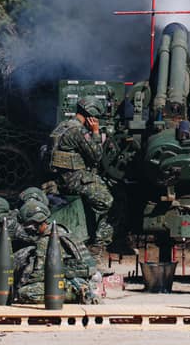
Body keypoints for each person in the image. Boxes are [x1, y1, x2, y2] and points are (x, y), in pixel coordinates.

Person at [46, 95, 114, 261]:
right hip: (74, 178)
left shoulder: (62, 126)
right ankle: (97, 244)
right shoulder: (78, 131)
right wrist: (96, 132)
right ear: (91, 115)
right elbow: (96, 155)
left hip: (59, 177)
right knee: (108, 201)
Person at [12, 200, 101, 304]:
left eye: (27, 225)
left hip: (69, 283)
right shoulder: (62, 230)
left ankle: (74, 295)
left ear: (34, 224)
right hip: (83, 279)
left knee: (25, 293)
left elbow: (38, 275)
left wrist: (20, 283)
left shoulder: (46, 241)